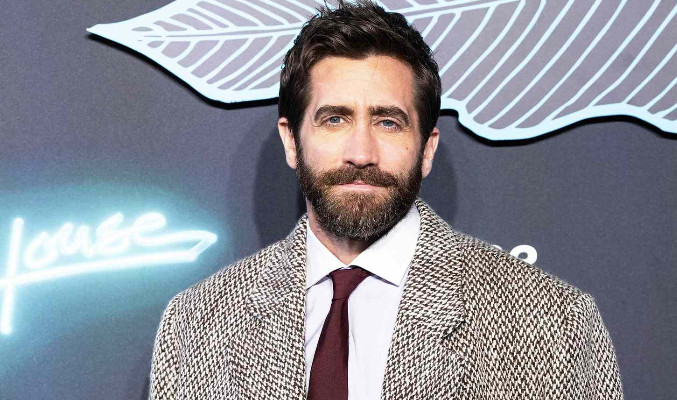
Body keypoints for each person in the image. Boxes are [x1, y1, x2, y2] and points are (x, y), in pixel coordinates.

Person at [148, 1, 624, 399]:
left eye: (388, 122)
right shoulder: (197, 324)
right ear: (291, 141)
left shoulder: (552, 322)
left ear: (427, 149)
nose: (361, 153)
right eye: (334, 119)